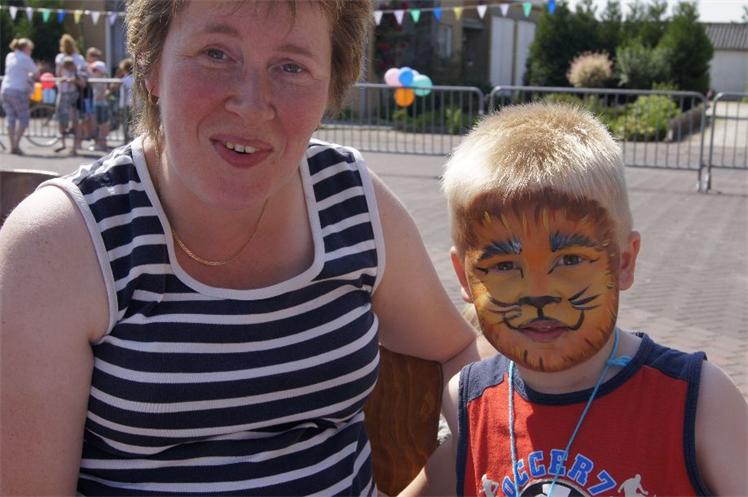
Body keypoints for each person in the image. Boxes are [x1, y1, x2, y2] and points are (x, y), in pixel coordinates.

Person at [0, 1, 490, 495]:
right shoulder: (61, 241)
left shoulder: (348, 197)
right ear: (151, 64)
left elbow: (458, 352)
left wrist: (474, 465)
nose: (252, 104)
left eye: (291, 66)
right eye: (216, 54)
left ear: (330, 86)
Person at [401, 103, 748, 497]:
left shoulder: (697, 401)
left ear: (624, 262)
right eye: (504, 265)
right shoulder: (470, 401)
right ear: (465, 276)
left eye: (570, 260)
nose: (539, 293)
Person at [1, 38, 39, 155]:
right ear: (25, 48)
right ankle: (16, 145)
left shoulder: (10, 56)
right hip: (18, 90)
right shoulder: (25, 58)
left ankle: (12, 144)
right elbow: (35, 73)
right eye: (30, 49)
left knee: (10, 117)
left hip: (5, 89)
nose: (30, 51)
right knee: (24, 117)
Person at [54, 34, 87, 154]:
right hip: (74, 92)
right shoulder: (79, 58)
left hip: (65, 91)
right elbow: (83, 74)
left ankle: (64, 143)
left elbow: (58, 74)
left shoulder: (60, 57)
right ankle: (74, 146)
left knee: (63, 119)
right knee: (75, 120)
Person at [88, 59, 110, 151]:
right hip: (97, 104)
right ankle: (100, 143)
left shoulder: (102, 80)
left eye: (94, 70)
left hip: (100, 104)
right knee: (99, 125)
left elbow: (103, 92)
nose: (92, 72)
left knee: (102, 125)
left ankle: (102, 144)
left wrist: (97, 98)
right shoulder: (96, 80)